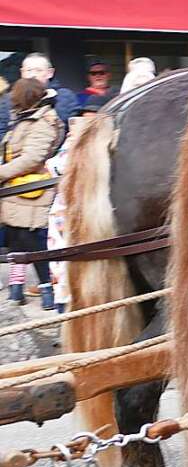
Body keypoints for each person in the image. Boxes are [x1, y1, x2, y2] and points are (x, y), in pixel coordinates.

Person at [0, 78, 63, 309]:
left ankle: (48, 289)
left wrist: (1, 172)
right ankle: (17, 288)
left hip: (31, 191)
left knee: (32, 241)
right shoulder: (25, 118)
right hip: (16, 191)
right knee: (17, 239)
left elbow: (32, 158)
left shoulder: (43, 121)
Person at [45, 93, 106, 314]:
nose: (86, 122)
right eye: (84, 117)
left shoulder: (102, 144)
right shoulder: (72, 142)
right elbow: (55, 167)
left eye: (91, 118)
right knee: (61, 268)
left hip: (86, 212)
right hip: (62, 213)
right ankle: (63, 315)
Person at [0, 53, 77, 134]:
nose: (33, 75)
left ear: (50, 73)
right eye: (29, 70)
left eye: (38, 70)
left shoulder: (65, 97)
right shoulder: (9, 99)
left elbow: (74, 130)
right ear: (22, 73)